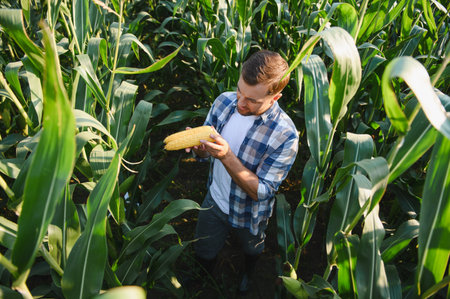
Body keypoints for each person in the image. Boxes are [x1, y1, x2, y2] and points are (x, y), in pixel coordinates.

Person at [186, 50, 299, 293]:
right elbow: (204, 155)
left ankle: (248, 274)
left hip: (249, 214)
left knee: (252, 249)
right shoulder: (223, 102)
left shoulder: (285, 135)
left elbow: (262, 192)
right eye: (240, 90)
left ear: (275, 97)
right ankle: (202, 280)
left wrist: (226, 155)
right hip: (213, 201)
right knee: (204, 251)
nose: (240, 102)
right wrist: (201, 150)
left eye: (252, 100)